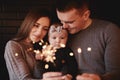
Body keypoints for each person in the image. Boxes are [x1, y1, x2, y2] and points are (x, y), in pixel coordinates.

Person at [42, 0, 120, 80]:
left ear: (86, 15)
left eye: (70, 22)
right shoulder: (59, 33)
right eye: (61, 21)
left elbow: (116, 74)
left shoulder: (108, 31)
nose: (64, 26)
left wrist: (99, 78)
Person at [4, 8, 52, 80]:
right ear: (29, 23)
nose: (39, 32)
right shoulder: (13, 46)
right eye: (36, 25)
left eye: (45, 29)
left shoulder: (43, 47)